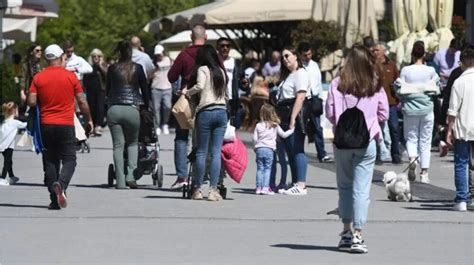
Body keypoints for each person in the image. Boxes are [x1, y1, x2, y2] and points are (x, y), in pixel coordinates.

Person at [325, 44, 389, 253]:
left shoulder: (337, 84)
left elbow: (330, 113)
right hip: (366, 140)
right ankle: (358, 236)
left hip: (342, 141)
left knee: (344, 186)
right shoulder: (375, 84)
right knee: (361, 189)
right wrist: (370, 120)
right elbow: (384, 113)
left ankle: (345, 231)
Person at [27, 44, 93, 210]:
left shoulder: (38, 78)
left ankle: (54, 199)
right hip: (65, 124)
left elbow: (31, 102)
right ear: (61, 56)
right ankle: (61, 185)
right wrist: (89, 120)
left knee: (50, 161)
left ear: (46, 58)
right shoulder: (70, 77)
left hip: (46, 125)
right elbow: (82, 101)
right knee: (70, 159)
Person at [180, 44, 228, 201]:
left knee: (201, 152)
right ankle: (214, 190)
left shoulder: (202, 70)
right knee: (216, 153)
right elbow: (226, 95)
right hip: (221, 112)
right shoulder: (220, 71)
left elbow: (200, 86)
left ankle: (198, 189)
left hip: (206, 111)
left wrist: (187, 92)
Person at [106, 40, 150, 189]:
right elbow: (145, 90)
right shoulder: (137, 68)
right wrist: (146, 108)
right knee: (132, 143)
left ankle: (119, 180)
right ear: (131, 53)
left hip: (114, 109)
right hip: (132, 109)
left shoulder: (112, 68)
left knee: (118, 145)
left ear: (118, 53)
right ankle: (131, 176)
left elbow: (107, 90)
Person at [167, 24, 207, 189]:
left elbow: (171, 77)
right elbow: (223, 75)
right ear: (205, 37)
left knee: (182, 137)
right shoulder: (210, 54)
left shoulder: (184, 55)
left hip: (186, 100)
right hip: (206, 99)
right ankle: (202, 176)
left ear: (191, 37)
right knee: (204, 139)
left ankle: (182, 177)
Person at [396, 42, 440, 183]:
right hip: (427, 109)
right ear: (424, 54)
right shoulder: (430, 71)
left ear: (412, 54)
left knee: (411, 138)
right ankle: (424, 173)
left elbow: (399, 91)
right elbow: (437, 90)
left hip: (410, 109)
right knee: (426, 141)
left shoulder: (405, 70)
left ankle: (412, 158)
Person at [275, 46, 310, 195]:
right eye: (283, 57)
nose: (285, 59)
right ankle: (296, 182)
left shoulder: (301, 73)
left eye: (287, 55)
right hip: (284, 112)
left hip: (294, 112)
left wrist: (293, 118)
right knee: (290, 150)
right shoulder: (289, 75)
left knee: (297, 149)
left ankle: (301, 185)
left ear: (296, 56)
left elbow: (301, 96)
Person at [446, 48, 474, 212]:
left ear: (461, 63)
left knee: (461, 163)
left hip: (463, 127)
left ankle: (461, 199)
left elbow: (452, 111)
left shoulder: (459, 82)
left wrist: (449, 130)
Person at [298, 42, 333, 163]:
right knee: (301, 128)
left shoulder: (314, 65)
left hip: (314, 100)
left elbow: (318, 82)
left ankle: (322, 154)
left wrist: (318, 97)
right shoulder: (298, 66)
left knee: (318, 127)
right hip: (302, 100)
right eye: (305, 55)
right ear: (300, 55)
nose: (308, 57)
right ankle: (298, 154)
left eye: (309, 54)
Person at [253, 103, 294, 195]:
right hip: (269, 149)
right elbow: (283, 135)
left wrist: (255, 147)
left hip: (259, 148)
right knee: (267, 169)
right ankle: (265, 188)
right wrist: (291, 130)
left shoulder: (258, 125)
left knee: (260, 169)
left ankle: (258, 188)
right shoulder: (274, 125)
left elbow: (255, 138)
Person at [371, 42, 402, 164]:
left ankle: (396, 154)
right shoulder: (370, 65)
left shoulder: (392, 65)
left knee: (394, 128)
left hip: (391, 102)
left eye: (377, 50)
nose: (375, 53)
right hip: (375, 104)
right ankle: (378, 155)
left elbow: (398, 80)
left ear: (383, 51)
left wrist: (397, 93)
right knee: (376, 130)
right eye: (373, 51)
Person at [0, 102, 27, 186]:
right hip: (8, 146)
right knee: (7, 162)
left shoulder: (4, 122)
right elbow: (25, 125)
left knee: (9, 161)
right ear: (14, 111)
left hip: (2, 145)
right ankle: (2, 178)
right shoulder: (15, 122)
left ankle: (12, 176)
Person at [83, 48, 107, 136]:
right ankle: (92, 125)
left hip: (101, 90)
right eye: (94, 56)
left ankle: (98, 126)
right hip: (90, 90)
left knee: (100, 108)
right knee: (92, 108)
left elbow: (107, 76)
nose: (96, 58)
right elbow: (85, 79)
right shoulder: (88, 66)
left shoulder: (103, 66)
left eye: (98, 56)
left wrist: (100, 66)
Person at [150, 44, 173, 135]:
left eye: (160, 54)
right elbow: (149, 76)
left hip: (167, 87)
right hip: (156, 87)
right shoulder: (153, 63)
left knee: (168, 106)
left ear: (163, 52)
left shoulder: (169, 60)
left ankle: (165, 124)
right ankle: (157, 126)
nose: (158, 56)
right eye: (157, 54)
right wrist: (154, 71)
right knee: (156, 108)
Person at [19, 43, 43, 112]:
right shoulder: (26, 65)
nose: (40, 52)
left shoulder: (42, 63)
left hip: (41, 91)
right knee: (29, 111)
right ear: (31, 52)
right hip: (30, 91)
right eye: (37, 50)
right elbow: (23, 78)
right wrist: (22, 92)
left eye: (41, 50)